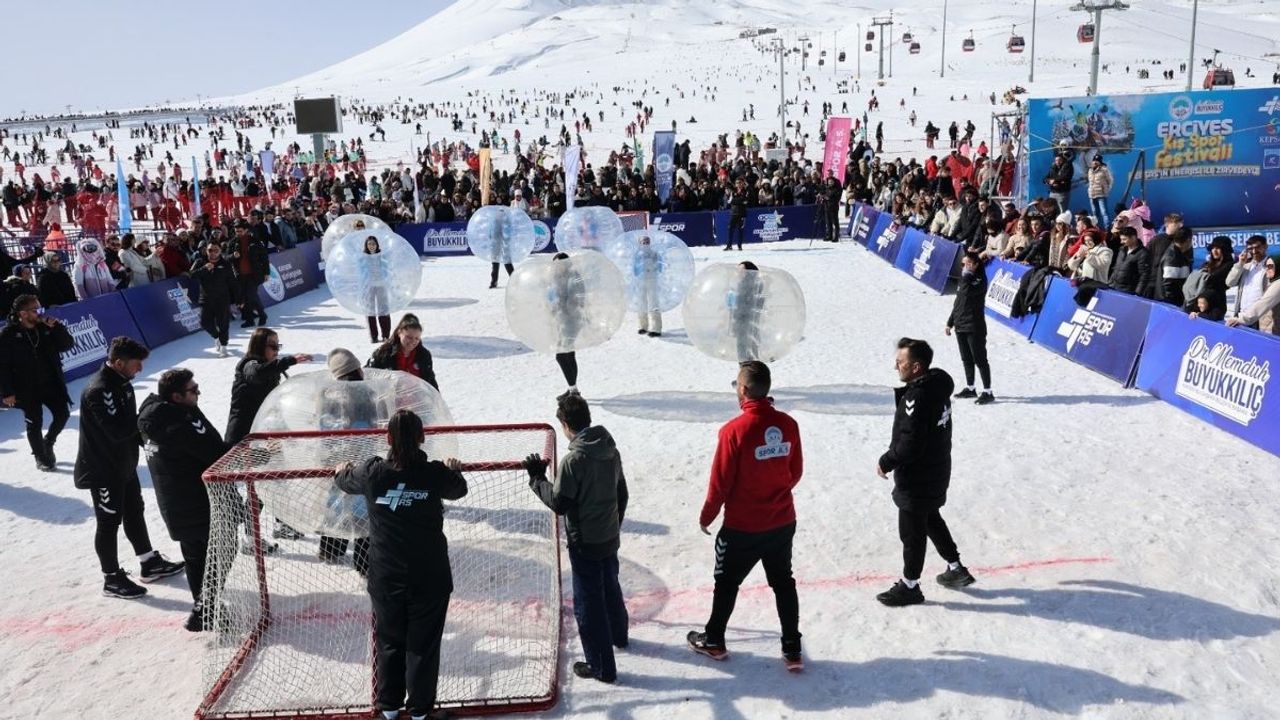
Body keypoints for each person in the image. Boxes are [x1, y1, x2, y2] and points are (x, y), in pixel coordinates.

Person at [335, 410, 468, 720]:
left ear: (388, 439)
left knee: (389, 642)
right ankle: (419, 713)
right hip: (429, 577)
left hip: (387, 577)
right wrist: (455, 470)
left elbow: (345, 481)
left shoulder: (373, 472)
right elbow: (458, 489)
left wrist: (342, 471)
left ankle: (390, 710)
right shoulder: (434, 473)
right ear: (422, 437)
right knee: (423, 646)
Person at [687, 361, 804, 671]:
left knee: (726, 583)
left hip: (743, 527)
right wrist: (773, 492)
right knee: (783, 582)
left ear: (743, 389)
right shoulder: (789, 425)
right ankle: (792, 647)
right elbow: (795, 472)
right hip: (782, 522)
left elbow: (720, 483)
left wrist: (707, 515)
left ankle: (714, 640)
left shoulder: (733, 431)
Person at [523, 393, 629, 683]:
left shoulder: (574, 460)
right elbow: (622, 493)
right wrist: (614, 525)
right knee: (611, 586)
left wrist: (537, 479)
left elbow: (560, 503)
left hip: (586, 543)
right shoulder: (611, 449)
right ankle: (619, 635)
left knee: (588, 604)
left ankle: (601, 667)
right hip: (609, 536)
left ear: (566, 425)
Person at [74, 336, 185, 599]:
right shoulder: (100, 390)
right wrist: (148, 415)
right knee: (108, 522)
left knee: (135, 512)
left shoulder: (122, 383)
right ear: (119, 362)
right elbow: (117, 431)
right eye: (137, 363)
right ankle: (111, 578)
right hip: (103, 470)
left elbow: (131, 429)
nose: (141, 369)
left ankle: (148, 562)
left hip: (123, 464)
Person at [875, 338, 974, 607]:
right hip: (936, 470)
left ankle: (910, 586)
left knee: (912, 533)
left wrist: (886, 461)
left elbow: (911, 443)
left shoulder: (918, 397)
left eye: (901, 362)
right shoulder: (936, 385)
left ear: (916, 367)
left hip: (917, 478)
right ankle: (956, 568)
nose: (896, 366)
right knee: (930, 517)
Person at [138, 368, 229, 631]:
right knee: (216, 554)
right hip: (194, 502)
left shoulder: (159, 416)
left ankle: (205, 607)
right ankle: (203, 610)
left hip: (179, 502)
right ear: (176, 397)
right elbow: (215, 453)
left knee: (198, 556)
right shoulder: (177, 423)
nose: (198, 392)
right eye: (193, 390)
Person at [317, 348, 381, 571]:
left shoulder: (327, 397)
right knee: (362, 508)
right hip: (362, 462)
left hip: (338, 462)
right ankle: (364, 562)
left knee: (338, 504)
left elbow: (324, 431)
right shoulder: (367, 395)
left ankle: (331, 550)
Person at [0, 294, 73, 470]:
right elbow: (2, 366)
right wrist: (7, 392)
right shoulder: (8, 335)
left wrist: (57, 328)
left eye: (41, 308)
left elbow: (67, 345)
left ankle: (49, 441)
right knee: (34, 422)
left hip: (50, 383)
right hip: (26, 387)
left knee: (62, 414)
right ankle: (40, 456)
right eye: (36, 310)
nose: (40, 313)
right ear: (23, 314)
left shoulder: (45, 328)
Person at [225, 327, 314, 445]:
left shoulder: (272, 369)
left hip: (263, 432)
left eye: (278, 346)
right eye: (273, 346)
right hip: (242, 436)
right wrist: (289, 361)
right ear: (259, 346)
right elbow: (257, 373)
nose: (277, 350)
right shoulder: (248, 364)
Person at [946, 252, 993, 404]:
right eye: (963, 264)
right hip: (960, 324)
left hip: (974, 326)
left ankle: (988, 391)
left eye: (968, 264)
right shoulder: (964, 279)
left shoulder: (979, 280)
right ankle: (970, 387)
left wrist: (966, 277)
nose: (965, 267)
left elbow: (968, 291)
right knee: (966, 358)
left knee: (979, 359)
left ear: (976, 265)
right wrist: (950, 322)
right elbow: (958, 302)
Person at [368, 314, 439, 390]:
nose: (413, 341)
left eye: (417, 338)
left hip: (416, 396)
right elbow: (367, 375)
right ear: (399, 333)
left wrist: (437, 396)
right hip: (388, 396)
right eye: (409, 337)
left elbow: (430, 381)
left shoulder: (423, 355)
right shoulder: (383, 353)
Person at [191, 242, 236, 357]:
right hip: (206, 299)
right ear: (206, 251)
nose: (213, 253)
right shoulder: (200, 261)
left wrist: (239, 298)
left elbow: (232, 282)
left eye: (216, 250)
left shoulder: (225, 263)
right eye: (210, 250)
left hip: (222, 299)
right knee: (205, 323)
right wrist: (204, 269)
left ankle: (224, 346)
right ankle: (216, 337)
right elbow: (192, 275)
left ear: (220, 251)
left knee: (223, 323)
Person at [550, 253, 585, 397]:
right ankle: (573, 389)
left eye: (558, 264)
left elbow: (577, 300)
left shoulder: (574, 278)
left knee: (562, 355)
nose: (556, 267)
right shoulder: (558, 278)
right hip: (563, 320)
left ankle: (573, 390)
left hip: (571, 320)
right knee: (569, 354)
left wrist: (564, 309)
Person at [231, 219, 270, 328]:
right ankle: (250, 320)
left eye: (240, 231)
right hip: (240, 275)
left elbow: (264, 258)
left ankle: (262, 315)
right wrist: (233, 255)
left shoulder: (255, 241)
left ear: (246, 230)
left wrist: (266, 272)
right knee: (246, 297)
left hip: (254, 274)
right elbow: (225, 256)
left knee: (251, 295)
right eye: (236, 231)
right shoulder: (233, 242)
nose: (238, 233)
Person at [1226, 235, 1270, 329]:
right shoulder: (1245, 267)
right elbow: (1229, 282)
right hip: (1241, 317)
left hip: (1262, 319)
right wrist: (1240, 263)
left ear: (1265, 246)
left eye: (1257, 247)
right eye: (1250, 249)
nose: (1254, 251)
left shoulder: (1272, 266)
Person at [1227, 255, 1279, 334]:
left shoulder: (1278, 284)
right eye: (1266, 266)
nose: (1266, 269)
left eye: (1270, 266)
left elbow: (1264, 303)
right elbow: (1229, 282)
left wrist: (1241, 319)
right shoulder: (1274, 282)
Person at [730, 261, 765, 362]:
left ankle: (750, 370)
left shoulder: (754, 286)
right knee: (742, 353)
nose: (738, 273)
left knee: (748, 353)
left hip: (748, 325)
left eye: (741, 270)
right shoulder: (741, 284)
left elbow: (752, 306)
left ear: (749, 272)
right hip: (741, 324)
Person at [361, 234, 393, 343]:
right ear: (366, 245)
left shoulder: (382, 256)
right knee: (370, 310)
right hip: (369, 286)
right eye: (369, 244)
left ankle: (385, 335)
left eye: (373, 244)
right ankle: (373, 336)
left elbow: (388, 269)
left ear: (377, 245)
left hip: (381, 285)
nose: (371, 246)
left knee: (383, 309)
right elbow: (360, 273)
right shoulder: (362, 258)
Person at [633, 235, 664, 336]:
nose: (645, 244)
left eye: (647, 242)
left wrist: (655, 268)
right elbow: (634, 269)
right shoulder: (637, 255)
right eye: (643, 242)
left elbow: (660, 267)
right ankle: (642, 326)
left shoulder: (655, 254)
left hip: (652, 280)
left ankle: (656, 328)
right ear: (640, 243)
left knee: (653, 303)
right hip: (640, 281)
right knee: (641, 303)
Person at [1109, 226, 1152, 296]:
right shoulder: (1122, 250)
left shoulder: (1143, 254)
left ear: (1133, 238)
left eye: (1124, 239)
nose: (1121, 242)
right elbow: (1116, 268)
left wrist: (1137, 293)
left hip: (1127, 291)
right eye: (1121, 239)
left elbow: (1144, 276)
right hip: (1113, 287)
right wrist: (1110, 283)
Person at [488, 212, 516, 289]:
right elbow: (490, 233)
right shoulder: (494, 220)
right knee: (495, 263)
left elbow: (509, 233)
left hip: (504, 243)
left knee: (507, 263)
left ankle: (514, 281)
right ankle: (494, 281)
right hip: (495, 244)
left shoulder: (506, 220)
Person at [1086, 155, 1113, 226]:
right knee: (1095, 213)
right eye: (1094, 160)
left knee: (1104, 212)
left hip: (1101, 194)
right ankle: (1097, 228)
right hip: (1092, 194)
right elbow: (1090, 182)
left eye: (1097, 161)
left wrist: (1106, 190)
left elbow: (1110, 180)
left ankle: (1107, 228)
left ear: (1100, 162)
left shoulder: (1104, 170)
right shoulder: (1090, 170)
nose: (1095, 162)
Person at [725, 179, 748, 251]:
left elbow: (745, 201)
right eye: (737, 183)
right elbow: (730, 201)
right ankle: (729, 245)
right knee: (730, 229)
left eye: (740, 182)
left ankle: (739, 245)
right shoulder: (733, 191)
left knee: (740, 230)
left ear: (742, 183)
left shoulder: (745, 191)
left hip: (741, 213)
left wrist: (735, 200)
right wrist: (739, 200)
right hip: (733, 213)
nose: (738, 184)